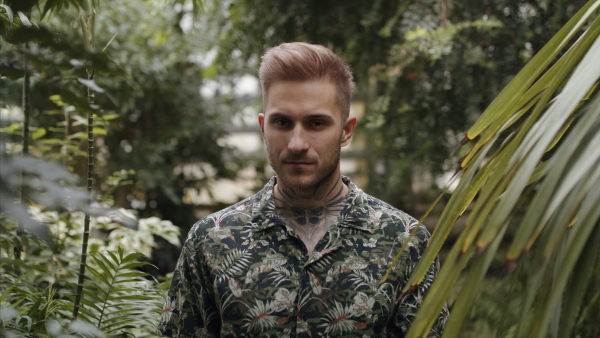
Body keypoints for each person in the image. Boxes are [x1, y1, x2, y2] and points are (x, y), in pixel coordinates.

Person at [159, 42, 448, 337]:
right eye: (282, 122)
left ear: (346, 131)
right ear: (263, 128)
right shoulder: (211, 241)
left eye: (316, 123)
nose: (297, 143)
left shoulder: (405, 243)